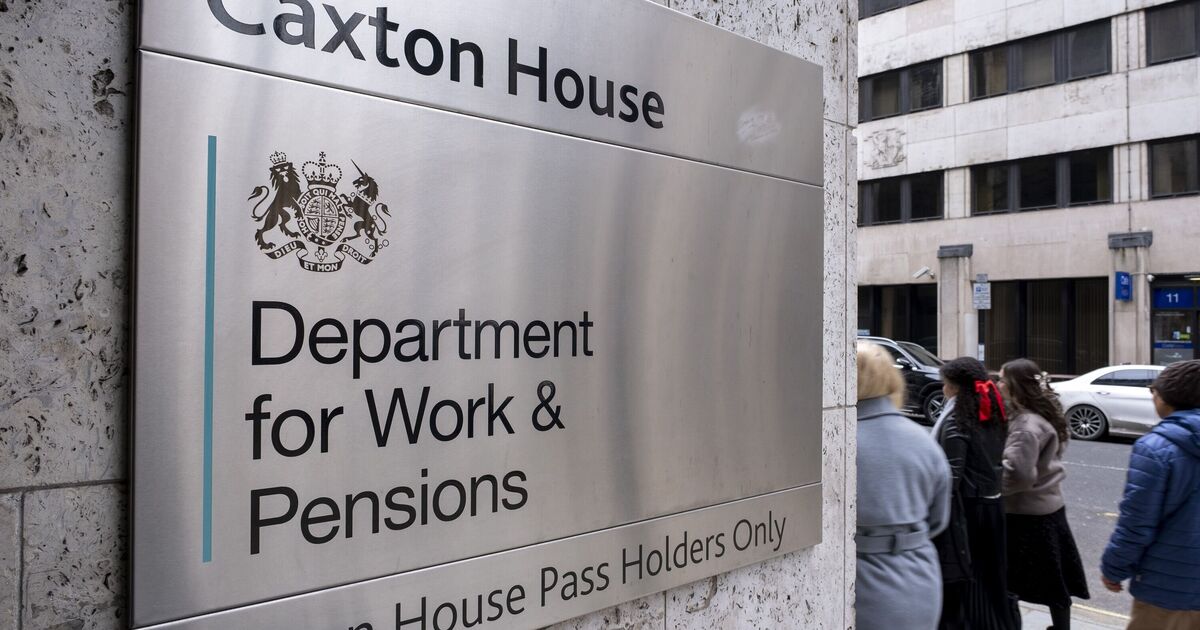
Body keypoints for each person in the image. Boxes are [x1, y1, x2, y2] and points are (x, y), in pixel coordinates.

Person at [854, 342, 952, 630]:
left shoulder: (837, 443)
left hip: (861, 580)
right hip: (920, 576)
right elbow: (938, 519)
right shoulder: (923, 441)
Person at [1101, 359, 1200, 630]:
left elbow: (1136, 523)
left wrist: (1114, 569)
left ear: (1165, 398)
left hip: (1170, 589)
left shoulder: (1156, 448)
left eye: (1153, 392)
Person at [999, 359, 1089, 630]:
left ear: (1015, 386)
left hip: (1025, 514)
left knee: (1011, 580)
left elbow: (1018, 475)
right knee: (1054, 578)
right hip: (1049, 507)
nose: (997, 384)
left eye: (1001, 379)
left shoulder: (1025, 425)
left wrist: (990, 489)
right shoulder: (1044, 414)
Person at [934, 357, 1019, 630]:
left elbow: (951, 476)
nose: (943, 389)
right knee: (992, 577)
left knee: (968, 577)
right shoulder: (992, 411)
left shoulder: (956, 420)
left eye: (945, 384)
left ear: (955, 387)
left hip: (969, 511)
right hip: (993, 505)